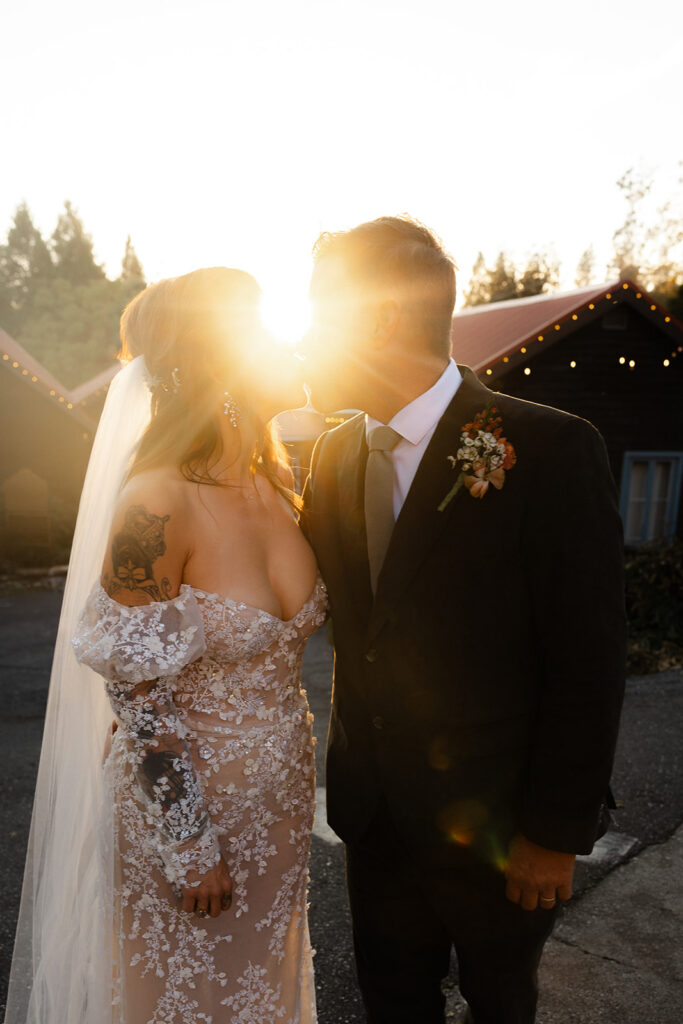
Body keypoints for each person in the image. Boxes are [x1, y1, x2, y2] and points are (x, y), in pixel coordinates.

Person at [301, 216, 626, 1024]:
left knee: (499, 1004)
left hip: (501, 829)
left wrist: (554, 833)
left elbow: (587, 659)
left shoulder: (547, 448)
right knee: (391, 1003)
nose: (300, 338)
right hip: (372, 819)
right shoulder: (332, 458)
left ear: (377, 318)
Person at [5, 268, 326, 1024]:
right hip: (185, 820)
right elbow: (138, 694)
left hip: (276, 810)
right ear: (223, 364)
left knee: (255, 997)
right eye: (270, 331)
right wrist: (189, 844)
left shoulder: (276, 488)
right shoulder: (156, 501)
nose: (299, 345)